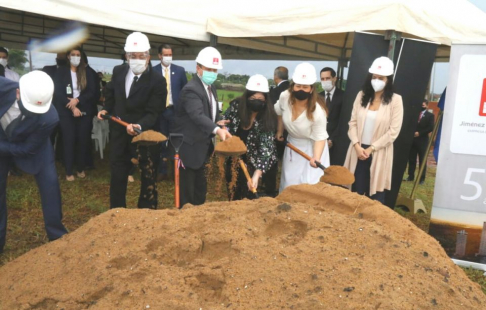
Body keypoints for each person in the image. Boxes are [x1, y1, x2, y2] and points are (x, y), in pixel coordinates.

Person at [0, 71, 68, 254]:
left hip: (32, 146)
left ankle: (57, 237)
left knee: (50, 183)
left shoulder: (50, 117)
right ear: (18, 93)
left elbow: (27, 149)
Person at [98, 32, 167, 209]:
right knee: (118, 174)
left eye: (140, 56)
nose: (136, 59)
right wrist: (106, 108)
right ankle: (117, 211)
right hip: (120, 135)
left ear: (148, 57)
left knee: (147, 176)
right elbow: (111, 92)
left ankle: (145, 212)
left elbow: (155, 111)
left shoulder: (157, 81)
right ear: (126, 56)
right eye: (132, 56)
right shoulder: (119, 71)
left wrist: (139, 125)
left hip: (145, 137)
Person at [171, 46, 232, 207]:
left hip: (203, 147)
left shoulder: (211, 87)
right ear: (198, 68)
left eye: (215, 69)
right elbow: (197, 115)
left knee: (200, 191)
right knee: (188, 194)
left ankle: (197, 223)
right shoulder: (191, 89)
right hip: (189, 148)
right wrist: (217, 130)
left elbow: (208, 113)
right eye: (209, 69)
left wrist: (217, 122)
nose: (212, 73)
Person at [343, 56, 404, 204]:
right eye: (374, 77)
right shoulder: (361, 95)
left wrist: (371, 148)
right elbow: (352, 123)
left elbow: (393, 132)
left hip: (379, 152)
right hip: (357, 151)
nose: (376, 81)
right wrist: (357, 146)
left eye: (381, 78)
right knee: (355, 190)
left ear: (388, 80)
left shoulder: (396, 100)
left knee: (376, 194)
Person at [275, 62, 330, 192]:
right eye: (298, 86)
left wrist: (316, 157)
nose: (301, 90)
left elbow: (320, 138)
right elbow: (279, 112)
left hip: (313, 147)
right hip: (293, 145)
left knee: (310, 184)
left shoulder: (318, 112)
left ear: (311, 89)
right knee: (290, 182)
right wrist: (279, 131)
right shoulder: (285, 97)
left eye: (305, 87)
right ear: (293, 86)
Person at [223, 74, 278, 200]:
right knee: (234, 191)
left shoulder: (268, 118)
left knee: (250, 193)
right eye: (253, 98)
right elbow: (226, 122)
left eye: (260, 98)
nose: (256, 101)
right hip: (235, 157)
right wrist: (224, 128)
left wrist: (256, 175)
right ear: (247, 97)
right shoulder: (237, 107)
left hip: (257, 161)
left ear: (265, 100)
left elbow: (266, 149)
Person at [53, 46, 97, 181]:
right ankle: (68, 171)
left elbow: (92, 91)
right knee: (69, 140)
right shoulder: (61, 72)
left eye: (78, 55)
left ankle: (80, 168)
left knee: (83, 140)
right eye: (73, 54)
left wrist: (78, 100)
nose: (76, 57)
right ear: (68, 56)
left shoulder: (87, 72)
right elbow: (58, 92)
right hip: (66, 111)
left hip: (84, 111)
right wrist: (72, 107)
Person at [153, 44, 188, 181]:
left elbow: (185, 92)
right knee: (161, 141)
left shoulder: (179, 71)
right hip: (160, 112)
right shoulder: (153, 71)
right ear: (159, 56)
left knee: (176, 141)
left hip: (175, 112)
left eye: (170, 55)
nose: (168, 57)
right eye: (165, 55)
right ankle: (162, 170)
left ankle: (176, 170)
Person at [263, 66, 290, 197]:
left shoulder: (274, 92)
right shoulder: (292, 89)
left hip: (276, 132)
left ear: (275, 77)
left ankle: (270, 189)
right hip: (292, 133)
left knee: (272, 162)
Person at [319, 67, 344, 165]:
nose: (325, 81)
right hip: (319, 140)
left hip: (336, 140)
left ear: (335, 78)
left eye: (327, 78)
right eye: (322, 79)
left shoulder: (343, 96)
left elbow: (343, 120)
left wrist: (332, 139)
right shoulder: (318, 97)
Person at [405, 99, 434, 184]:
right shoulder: (414, 115)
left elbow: (431, 127)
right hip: (412, 141)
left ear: (427, 106)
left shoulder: (430, 116)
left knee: (422, 160)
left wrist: (420, 133)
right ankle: (410, 176)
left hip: (422, 141)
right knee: (412, 160)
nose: (421, 107)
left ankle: (421, 179)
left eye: (423, 106)